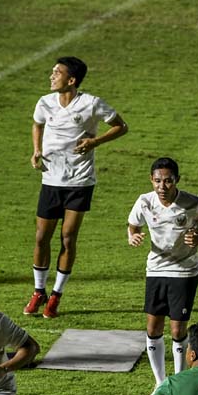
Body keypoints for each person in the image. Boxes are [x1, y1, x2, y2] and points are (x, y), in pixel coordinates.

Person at [24, 56, 129, 318]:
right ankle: (39, 291)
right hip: (51, 180)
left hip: (79, 182)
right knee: (41, 238)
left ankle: (56, 296)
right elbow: (37, 124)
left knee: (68, 238)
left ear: (71, 80)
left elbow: (120, 126)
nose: (51, 76)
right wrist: (36, 150)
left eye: (56, 72)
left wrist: (95, 142)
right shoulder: (45, 102)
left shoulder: (91, 104)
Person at [128, 157, 198, 395]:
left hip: (184, 271)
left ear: (177, 180)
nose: (162, 186)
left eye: (168, 181)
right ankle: (160, 383)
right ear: (151, 180)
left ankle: (178, 383)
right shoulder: (144, 202)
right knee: (153, 326)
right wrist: (133, 236)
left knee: (178, 330)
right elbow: (133, 224)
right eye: (157, 181)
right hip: (156, 270)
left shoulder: (192, 202)